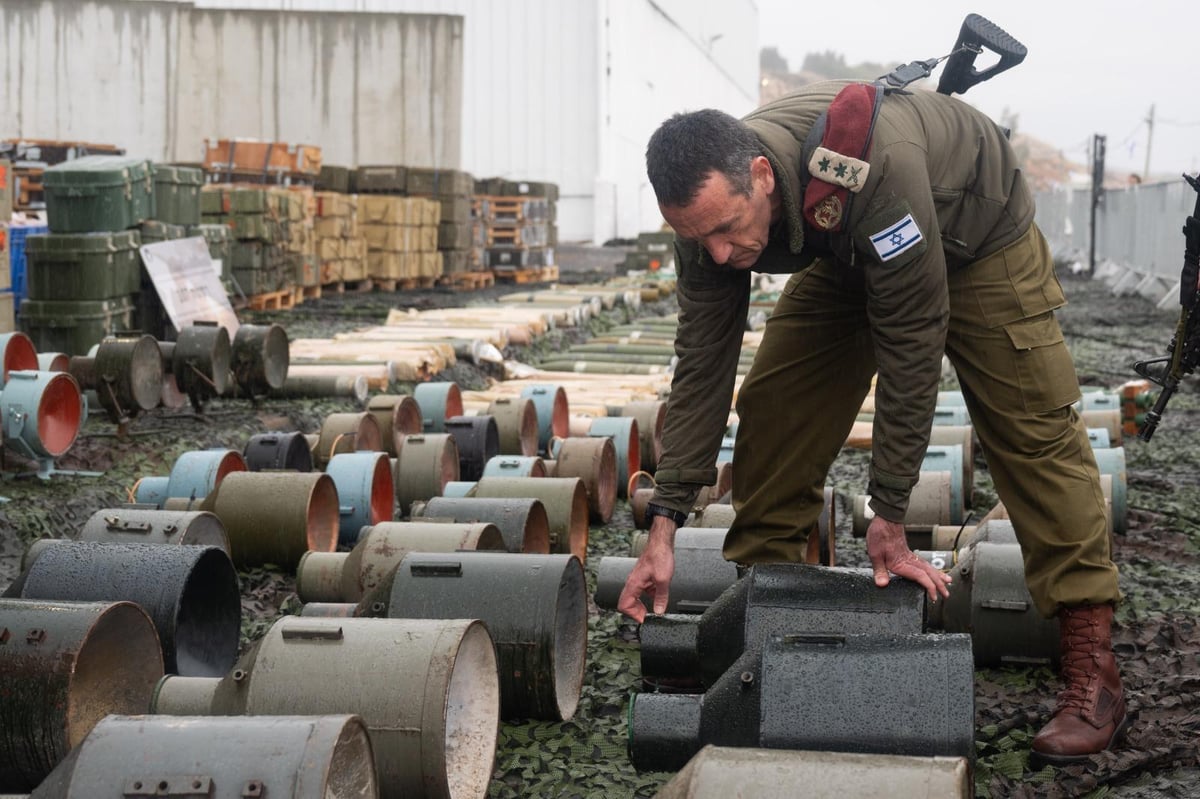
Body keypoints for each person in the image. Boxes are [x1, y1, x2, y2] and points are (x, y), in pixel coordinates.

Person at [616, 80, 1130, 765]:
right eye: (696, 236)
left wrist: (889, 511)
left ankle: (1093, 668)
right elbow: (702, 365)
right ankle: (766, 629)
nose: (716, 253)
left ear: (762, 177)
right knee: (775, 407)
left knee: (1033, 433)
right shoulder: (707, 216)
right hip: (850, 245)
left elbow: (913, 341)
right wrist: (665, 524)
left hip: (975, 239)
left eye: (725, 229)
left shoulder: (868, 169)